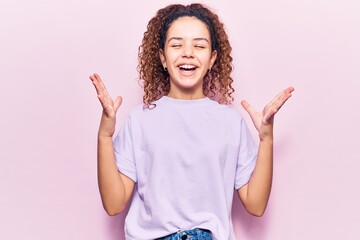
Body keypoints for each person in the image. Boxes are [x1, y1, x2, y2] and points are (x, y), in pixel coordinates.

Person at [89, 3, 294, 240]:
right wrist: (104, 136)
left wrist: (266, 138)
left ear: (212, 59)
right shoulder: (139, 120)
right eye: (176, 45)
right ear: (163, 58)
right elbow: (114, 204)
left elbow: (256, 205)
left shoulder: (230, 122)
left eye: (199, 45)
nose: (188, 52)